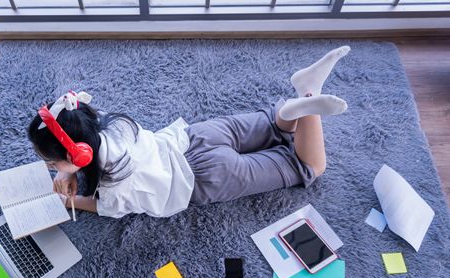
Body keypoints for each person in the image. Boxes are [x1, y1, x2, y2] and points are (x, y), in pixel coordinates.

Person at [28, 46, 351, 218]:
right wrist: (68, 169)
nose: (52, 169)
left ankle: (307, 95)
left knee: (308, 166)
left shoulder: (115, 189)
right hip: (198, 137)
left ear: (79, 155)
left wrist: (72, 201)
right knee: (268, 124)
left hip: (207, 178)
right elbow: (80, 147)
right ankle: (290, 112)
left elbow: (103, 206)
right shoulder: (118, 125)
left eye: (53, 164)